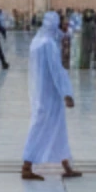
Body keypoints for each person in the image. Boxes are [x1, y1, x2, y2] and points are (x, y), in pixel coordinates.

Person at [20, 12, 79, 181]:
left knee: (58, 128)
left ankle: (67, 166)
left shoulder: (37, 41)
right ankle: (27, 165)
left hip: (41, 91)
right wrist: (66, 93)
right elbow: (57, 71)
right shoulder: (49, 44)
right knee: (40, 126)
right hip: (50, 93)